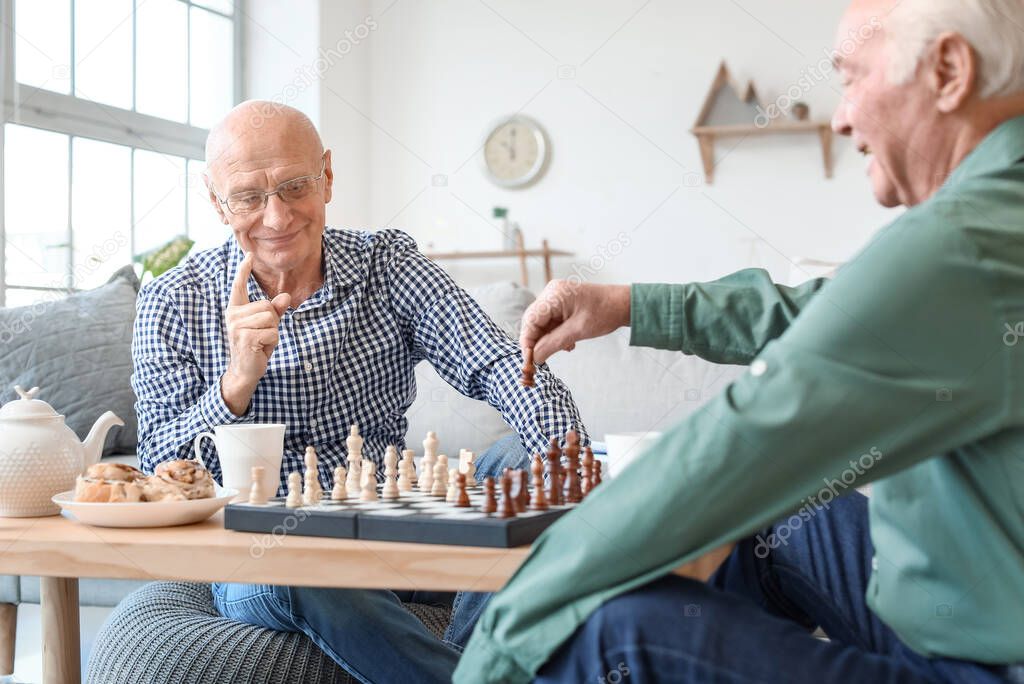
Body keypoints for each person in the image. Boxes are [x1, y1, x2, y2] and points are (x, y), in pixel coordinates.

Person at [454, 0, 1024, 682]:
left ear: (949, 70)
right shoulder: (995, 215)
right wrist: (628, 305)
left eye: (851, 78)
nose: (841, 117)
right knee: (772, 523)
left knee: (610, 632)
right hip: (947, 609)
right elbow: (824, 314)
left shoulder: (964, 245)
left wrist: (500, 639)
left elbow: (738, 446)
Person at [130, 100, 586, 683]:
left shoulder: (387, 265)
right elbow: (158, 472)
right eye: (248, 197)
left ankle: (474, 663)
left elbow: (497, 363)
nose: (276, 217)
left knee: (532, 459)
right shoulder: (172, 301)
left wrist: (562, 451)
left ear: (327, 176)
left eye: (295, 186)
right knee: (294, 562)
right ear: (217, 202)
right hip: (261, 557)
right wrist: (235, 384)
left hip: (393, 529)